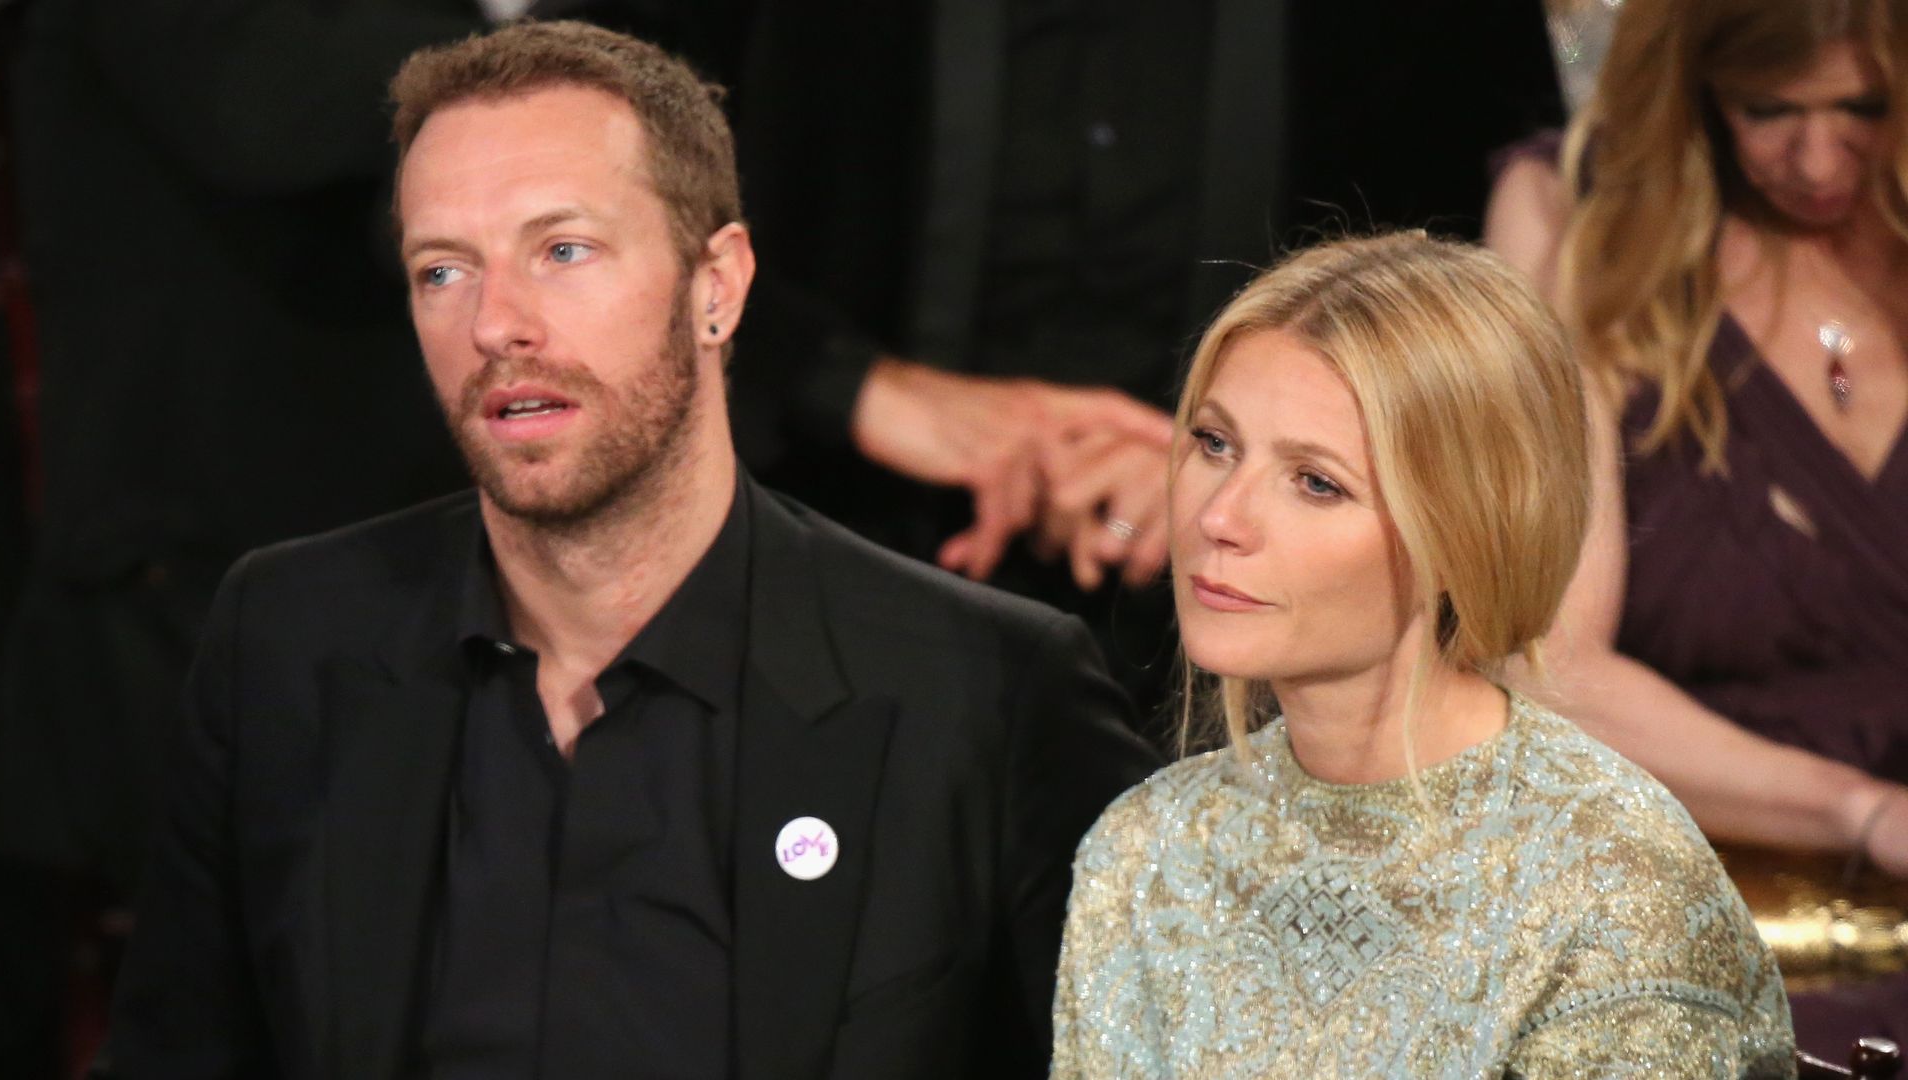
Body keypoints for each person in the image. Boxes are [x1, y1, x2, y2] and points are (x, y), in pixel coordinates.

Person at [103, 22, 1156, 1078]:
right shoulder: (288, 642)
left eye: (563, 250)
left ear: (719, 286)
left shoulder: (984, 694)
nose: (496, 325)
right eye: (442, 271)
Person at [1050, 234, 1793, 1076]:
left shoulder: (1613, 888)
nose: (1219, 516)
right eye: (1216, 443)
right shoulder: (1144, 851)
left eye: (1317, 482)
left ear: (1465, 531)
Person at [726, 0, 1565, 718]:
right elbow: (633, 184)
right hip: (823, 552)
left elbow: (1468, 296)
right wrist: (858, 388)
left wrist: (1220, 463)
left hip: (1271, 644)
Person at [1484, 0, 1908, 1050]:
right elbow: (1548, 673)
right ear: (1698, 89)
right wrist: (1860, 812)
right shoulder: (1589, 249)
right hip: (1700, 941)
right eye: (1769, 110)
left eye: (1864, 106)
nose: (1818, 159)